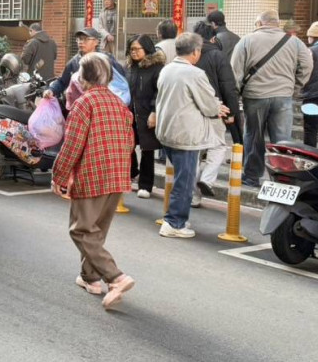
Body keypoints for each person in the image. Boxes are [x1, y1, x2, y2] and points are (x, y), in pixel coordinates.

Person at [50, 53, 136, 310]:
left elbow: (72, 145)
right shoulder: (119, 103)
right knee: (96, 230)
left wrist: (59, 176)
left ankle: (116, 277)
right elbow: (130, 141)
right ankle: (90, 278)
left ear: (83, 77)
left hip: (93, 173)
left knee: (80, 229)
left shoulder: (84, 103)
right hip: (118, 174)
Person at [156, 32, 230, 238]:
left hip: (166, 131)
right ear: (196, 52)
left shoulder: (167, 69)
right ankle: (174, 223)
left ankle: (175, 219)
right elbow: (208, 104)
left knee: (181, 177)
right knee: (185, 181)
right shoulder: (195, 74)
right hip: (185, 135)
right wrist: (218, 107)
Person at [230, 10, 313, 187]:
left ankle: (252, 176)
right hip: (283, 95)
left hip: (255, 95)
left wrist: (236, 94)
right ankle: (283, 177)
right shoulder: (294, 41)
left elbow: (235, 70)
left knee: (253, 135)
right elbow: (307, 64)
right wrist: (295, 86)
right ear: (277, 24)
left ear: (260, 23)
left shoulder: (247, 40)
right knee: (283, 138)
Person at [193, 20, 242, 199]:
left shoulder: (188, 56)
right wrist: (231, 112)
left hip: (192, 110)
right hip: (216, 108)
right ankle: (206, 178)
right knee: (218, 146)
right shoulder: (217, 55)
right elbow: (228, 85)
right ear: (212, 37)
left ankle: (194, 197)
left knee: (195, 152)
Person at [43, 27, 127, 116]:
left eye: (86, 39)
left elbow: (121, 80)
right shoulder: (74, 62)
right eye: (79, 39)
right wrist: (51, 90)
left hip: (104, 108)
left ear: (96, 42)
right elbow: (62, 81)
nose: (81, 42)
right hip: (82, 109)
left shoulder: (106, 59)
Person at [126, 35, 166, 200]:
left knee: (147, 150)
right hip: (129, 114)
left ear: (147, 49)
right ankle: (132, 172)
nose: (134, 53)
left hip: (147, 114)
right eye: (132, 49)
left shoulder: (157, 68)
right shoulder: (129, 67)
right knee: (128, 146)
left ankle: (145, 185)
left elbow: (160, 92)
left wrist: (154, 111)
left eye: (137, 49)